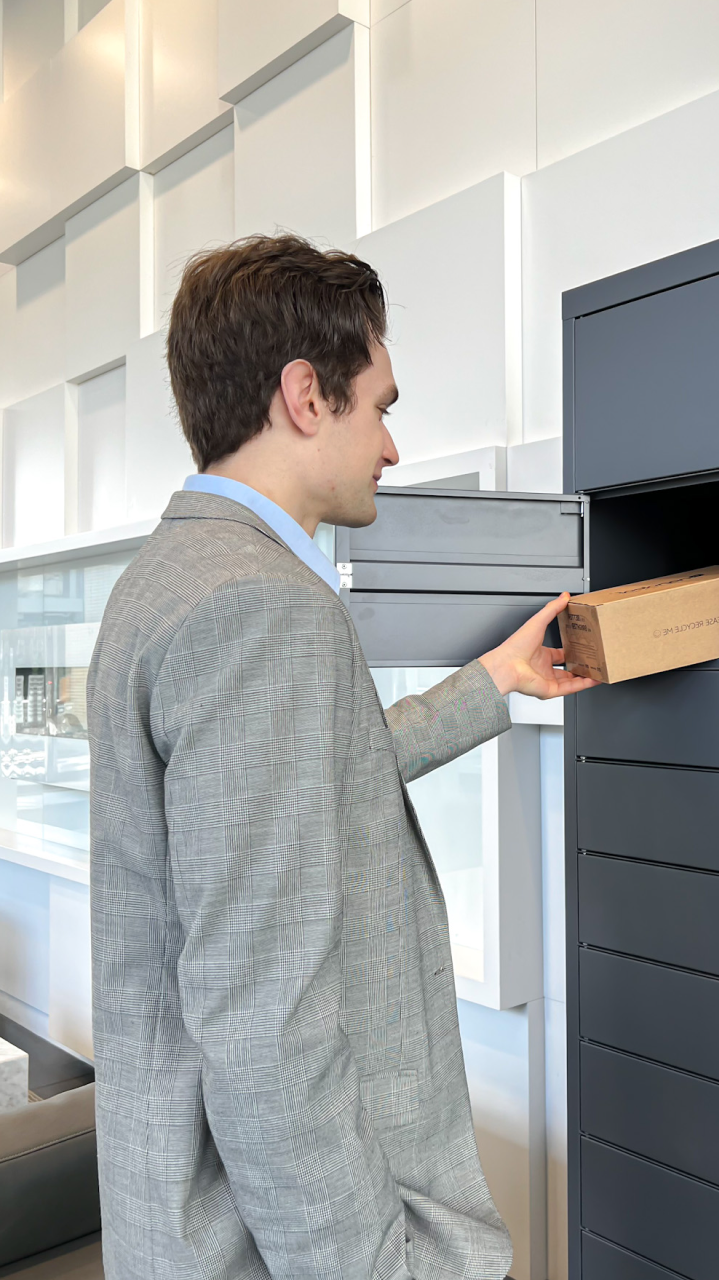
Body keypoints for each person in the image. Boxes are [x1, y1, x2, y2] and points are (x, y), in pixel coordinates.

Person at [87, 234, 596, 1279]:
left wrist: (493, 679)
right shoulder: (261, 607)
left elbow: (307, 781)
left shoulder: (170, 575)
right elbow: (265, 1026)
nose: (392, 447)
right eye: (381, 406)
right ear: (305, 395)